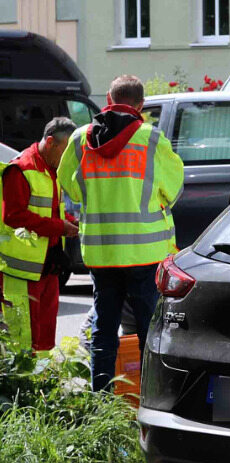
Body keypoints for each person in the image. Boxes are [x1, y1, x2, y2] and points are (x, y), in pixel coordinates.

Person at [58, 74, 184, 390]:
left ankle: (102, 396)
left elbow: (68, 184)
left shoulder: (79, 139)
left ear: (109, 100)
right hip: (145, 253)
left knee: (104, 327)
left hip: (100, 253)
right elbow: (173, 189)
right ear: (140, 105)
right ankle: (150, 398)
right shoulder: (151, 139)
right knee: (148, 330)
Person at [0, 117, 79, 354]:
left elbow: (51, 210)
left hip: (47, 266)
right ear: (51, 142)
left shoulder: (50, 168)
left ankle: (42, 383)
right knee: (21, 339)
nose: (67, 159)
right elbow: (13, 217)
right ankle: (24, 388)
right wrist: (59, 227)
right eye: (65, 151)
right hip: (21, 272)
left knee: (44, 337)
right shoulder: (21, 169)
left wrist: (70, 224)